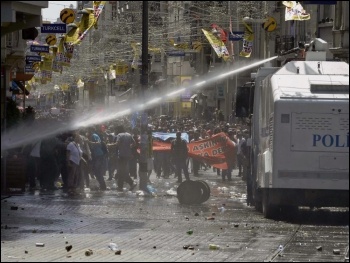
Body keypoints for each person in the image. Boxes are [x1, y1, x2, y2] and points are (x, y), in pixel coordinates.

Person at [114, 125, 137, 192]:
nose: (115, 131)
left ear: (118, 130)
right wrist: (128, 147)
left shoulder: (119, 135)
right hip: (127, 155)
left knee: (121, 171)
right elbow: (134, 143)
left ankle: (128, 184)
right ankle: (126, 185)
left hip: (122, 155)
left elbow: (117, 143)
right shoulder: (129, 135)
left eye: (115, 130)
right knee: (122, 171)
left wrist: (110, 145)